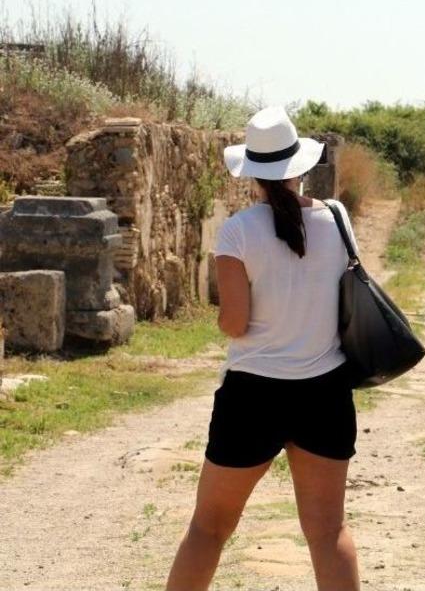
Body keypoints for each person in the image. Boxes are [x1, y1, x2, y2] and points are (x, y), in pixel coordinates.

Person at [166, 107, 361, 591]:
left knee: (209, 528)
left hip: (253, 396)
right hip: (324, 392)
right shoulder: (337, 220)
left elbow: (235, 324)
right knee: (327, 531)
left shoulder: (237, 231)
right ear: (300, 166)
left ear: (250, 170)